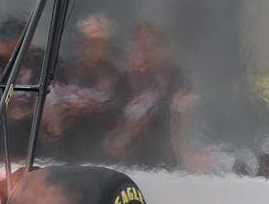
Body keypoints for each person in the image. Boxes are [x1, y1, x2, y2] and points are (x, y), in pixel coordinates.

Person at [105, 22, 195, 168]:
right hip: (128, 168)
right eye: (138, 46)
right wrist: (129, 129)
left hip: (166, 166)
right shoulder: (122, 84)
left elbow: (182, 132)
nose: (144, 52)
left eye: (150, 46)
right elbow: (111, 147)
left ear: (163, 49)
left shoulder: (178, 79)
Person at [45, 14, 125, 163]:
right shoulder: (63, 70)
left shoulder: (116, 76)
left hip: (100, 153)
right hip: (63, 150)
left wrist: (89, 108)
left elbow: (119, 113)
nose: (88, 46)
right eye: (85, 41)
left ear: (105, 46)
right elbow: (48, 102)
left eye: (96, 42)